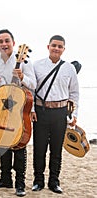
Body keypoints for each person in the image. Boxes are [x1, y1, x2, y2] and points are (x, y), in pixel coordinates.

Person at [0, 29, 36, 197]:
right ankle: (5, 179)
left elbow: (33, 85)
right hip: (1, 110)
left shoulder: (24, 62)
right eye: (0, 41)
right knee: (3, 146)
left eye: (7, 41)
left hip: (19, 110)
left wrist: (22, 77)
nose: (4, 44)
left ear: (13, 43)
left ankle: (20, 184)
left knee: (19, 146)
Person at [31, 35, 79, 194]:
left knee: (56, 150)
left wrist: (73, 115)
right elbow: (31, 90)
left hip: (60, 112)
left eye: (60, 46)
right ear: (48, 47)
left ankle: (54, 181)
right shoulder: (36, 66)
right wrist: (31, 110)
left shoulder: (69, 68)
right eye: (54, 45)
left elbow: (74, 93)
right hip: (41, 112)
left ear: (63, 49)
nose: (56, 48)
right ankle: (38, 181)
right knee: (39, 149)